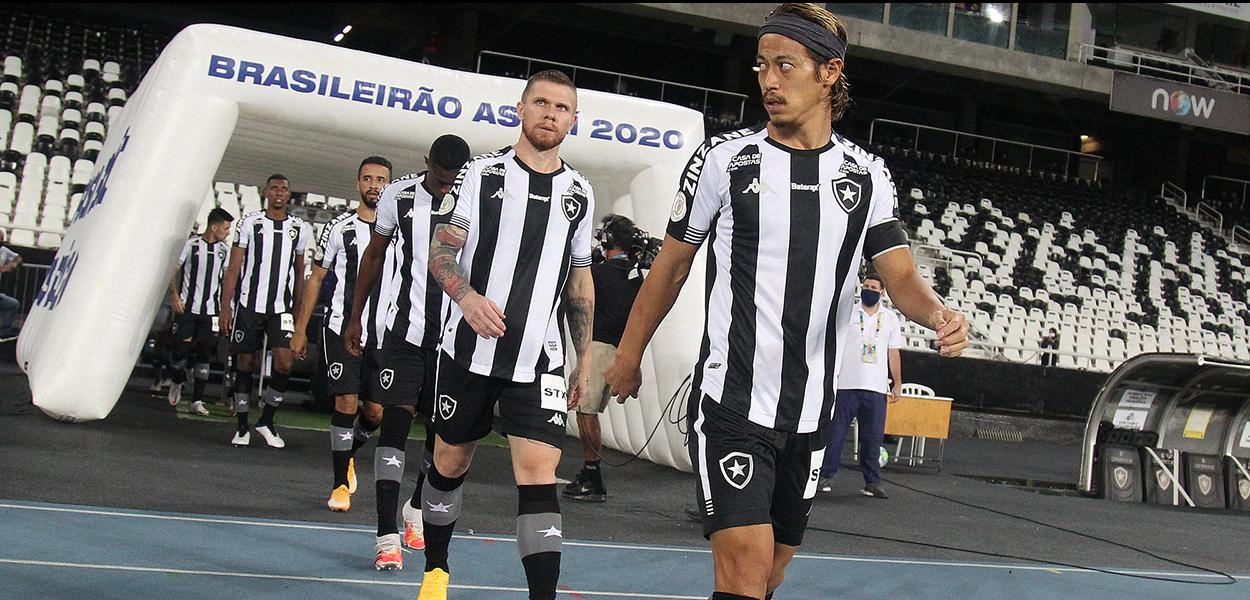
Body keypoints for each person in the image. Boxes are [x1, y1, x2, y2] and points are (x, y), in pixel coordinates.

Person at [604, 5, 970, 600]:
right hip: (731, 407)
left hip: (809, 418)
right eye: (761, 67)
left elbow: (899, 275)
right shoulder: (723, 161)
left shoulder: (867, 176)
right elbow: (671, 267)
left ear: (828, 73)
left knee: (768, 576)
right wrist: (628, 353)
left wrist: (935, 313)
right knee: (745, 573)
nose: (769, 81)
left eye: (785, 65)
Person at [417, 70, 596, 600]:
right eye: (540, 103)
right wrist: (468, 299)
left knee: (540, 473)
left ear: (573, 119)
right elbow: (440, 251)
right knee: (450, 462)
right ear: (520, 109)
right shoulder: (480, 174)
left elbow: (579, 280)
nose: (550, 114)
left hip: (538, 360)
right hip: (468, 353)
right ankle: (436, 570)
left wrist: (581, 360)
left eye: (562, 107)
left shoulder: (579, 193)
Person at [342, 136, 471, 570]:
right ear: (425, 164)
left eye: (452, 178)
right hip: (404, 332)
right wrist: (355, 316)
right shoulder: (399, 195)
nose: (445, 185)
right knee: (394, 426)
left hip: (454, 337)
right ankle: (385, 534)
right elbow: (374, 257)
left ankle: (415, 507)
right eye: (438, 176)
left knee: (441, 434)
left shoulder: (476, 197)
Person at [291, 157, 394, 512]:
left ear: (390, 185)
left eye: (381, 179)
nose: (374, 185)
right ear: (357, 184)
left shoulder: (399, 231)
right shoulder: (339, 228)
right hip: (340, 327)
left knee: (375, 413)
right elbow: (316, 277)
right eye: (368, 178)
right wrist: (299, 329)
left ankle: (347, 453)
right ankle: (338, 485)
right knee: (345, 403)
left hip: (383, 334)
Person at [218, 174, 312, 448]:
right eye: (275, 188)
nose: (280, 193)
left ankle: (267, 421)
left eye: (284, 188)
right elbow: (234, 267)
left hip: (281, 308)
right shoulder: (250, 222)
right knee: (245, 364)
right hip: (249, 305)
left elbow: (299, 271)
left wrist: (299, 319)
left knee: (285, 363)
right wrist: (226, 308)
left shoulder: (299, 228)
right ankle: (242, 426)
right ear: (265, 192)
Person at [564, 214, 644, 503]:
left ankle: (592, 474)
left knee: (585, 410)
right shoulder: (637, 276)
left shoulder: (599, 273)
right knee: (587, 410)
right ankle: (590, 472)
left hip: (599, 348)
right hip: (620, 349)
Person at [817, 272, 903, 498]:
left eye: (874, 287)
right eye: (866, 286)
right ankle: (825, 475)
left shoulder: (890, 318)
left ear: (882, 292)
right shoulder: (848, 312)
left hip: (876, 387)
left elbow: (893, 353)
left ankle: (872, 481)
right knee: (836, 434)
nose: (869, 290)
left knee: (872, 437)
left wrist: (897, 382)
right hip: (846, 383)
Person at [167, 208, 235, 416]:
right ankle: (177, 380)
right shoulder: (191, 245)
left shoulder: (225, 251)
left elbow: (227, 282)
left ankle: (197, 400)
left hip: (211, 312)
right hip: (188, 308)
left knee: (205, 355)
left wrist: (226, 308)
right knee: (180, 352)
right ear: (213, 227)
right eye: (225, 228)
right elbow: (172, 270)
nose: (228, 232)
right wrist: (174, 296)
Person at [0, 231, 22, 339]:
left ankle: (3, 332)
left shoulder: (3, 250)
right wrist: (2, 268)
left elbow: (18, 258)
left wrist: (13, 264)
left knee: (13, 304)